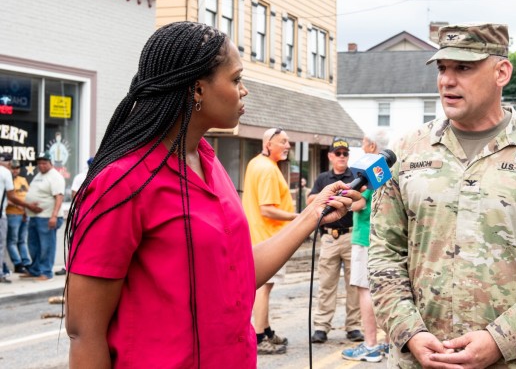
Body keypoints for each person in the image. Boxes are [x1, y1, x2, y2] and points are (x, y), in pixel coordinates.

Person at [63, 21, 359, 368]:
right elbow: (84, 332)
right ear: (197, 90)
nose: (244, 90)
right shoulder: (123, 182)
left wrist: (314, 214)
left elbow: (240, 273)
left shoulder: (209, 162)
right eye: (236, 80)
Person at [368, 23, 516, 368]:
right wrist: (409, 331)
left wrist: (501, 341)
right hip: (422, 359)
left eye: (464, 67)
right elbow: (384, 253)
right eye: (443, 68)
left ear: (501, 72)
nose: (447, 80)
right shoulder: (404, 153)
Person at [242, 127, 297, 355]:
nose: (287, 146)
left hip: (260, 237)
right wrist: (298, 217)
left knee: (265, 288)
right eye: (283, 141)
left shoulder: (258, 164)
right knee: (263, 288)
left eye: (288, 142)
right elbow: (267, 209)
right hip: (267, 238)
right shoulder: (266, 169)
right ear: (268, 144)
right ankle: (259, 336)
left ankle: (266, 329)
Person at [341, 129, 391, 363]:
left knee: (365, 290)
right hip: (386, 237)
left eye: (363, 142)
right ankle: (390, 344)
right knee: (389, 290)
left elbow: (360, 203)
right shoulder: (387, 169)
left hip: (364, 237)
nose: (361, 146)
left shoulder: (369, 172)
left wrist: (342, 200)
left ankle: (370, 344)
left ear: (371, 146)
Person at [309, 137, 363, 344]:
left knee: (354, 284)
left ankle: (353, 326)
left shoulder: (356, 176)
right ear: (330, 156)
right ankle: (321, 326)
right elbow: (311, 199)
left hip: (350, 235)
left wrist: (344, 203)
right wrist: (333, 197)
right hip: (329, 237)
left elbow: (362, 202)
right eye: (338, 153)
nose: (342, 157)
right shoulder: (323, 178)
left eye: (345, 153)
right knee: (326, 284)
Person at [20, 151, 65, 281]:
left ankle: (46, 272)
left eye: (44, 163)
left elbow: (59, 197)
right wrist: (25, 211)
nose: (41, 165)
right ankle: (35, 270)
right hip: (33, 216)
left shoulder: (55, 176)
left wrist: (54, 216)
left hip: (47, 217)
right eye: (39, 163)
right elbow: (32, 194)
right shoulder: (38, 175)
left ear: (50, 163)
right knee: (33, 245)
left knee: (47, 246)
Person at [0, 153, 41, 284]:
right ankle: (4, 271)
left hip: (19, 213)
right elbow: (11, 197)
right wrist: (28, 206)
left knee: (20, 240)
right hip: (6, 214)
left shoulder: (21, 179)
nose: (13, 168)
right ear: (8, 162)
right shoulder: (5, 172)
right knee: (5, 243)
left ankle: (22, 263)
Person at [56, 156, 95, 276]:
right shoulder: (81, 177)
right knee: (75, 239)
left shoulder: (102, 174)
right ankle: (68, 265)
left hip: (95, 215)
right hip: (81, 213)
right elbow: (75, 195)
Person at [6, 159, 32, 274]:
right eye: (13, 168)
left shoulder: (22, 180)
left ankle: (26, 262)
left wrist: (26, 209)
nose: (15, 170)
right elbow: (6, 199)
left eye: (17, 168)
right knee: (12, 240)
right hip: (12, 214)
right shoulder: (6, 180)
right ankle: (18, 263)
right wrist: (19, 205)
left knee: (22, 240)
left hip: (24, 214)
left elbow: (28, 195)